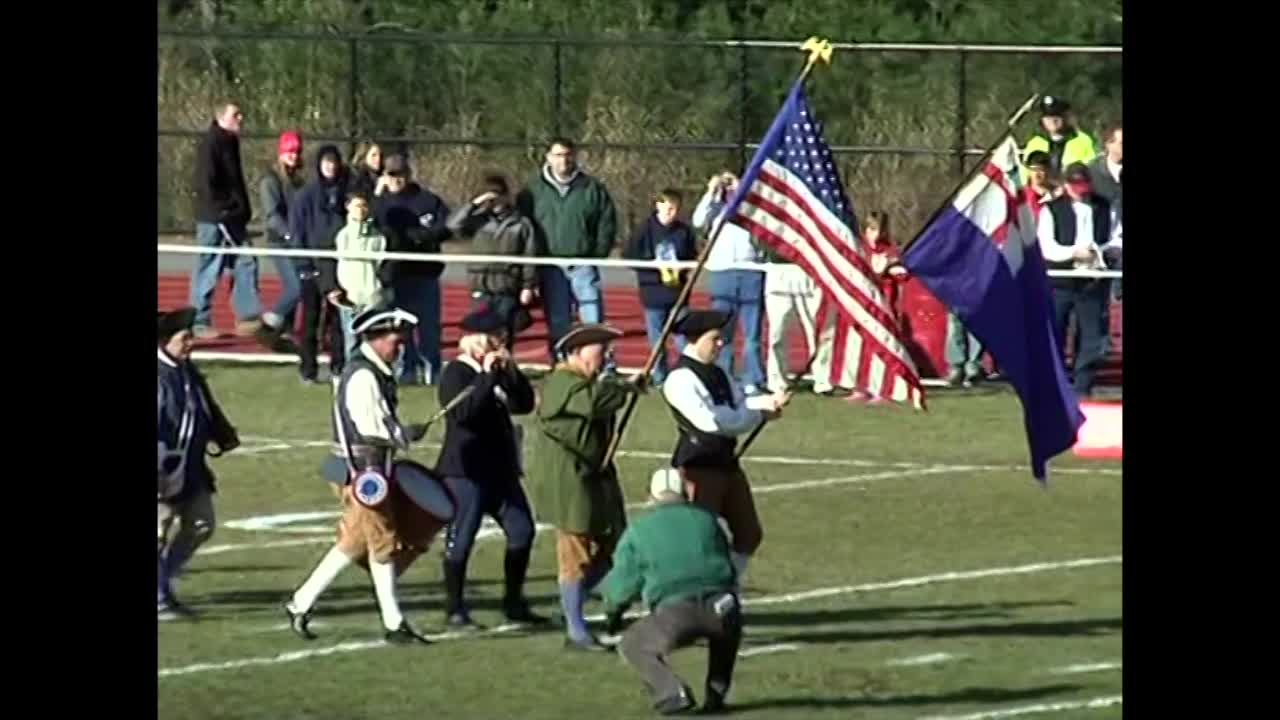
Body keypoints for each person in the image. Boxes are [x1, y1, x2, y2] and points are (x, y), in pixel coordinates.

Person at [284, 306, 438, 644]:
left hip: (366, 468)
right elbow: (371, 427)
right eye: (396, 341)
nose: (400, 347)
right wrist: (404, 435)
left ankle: (301, 602)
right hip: (363, 472)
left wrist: (402, 432)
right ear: (377, 338)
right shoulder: (365, 375)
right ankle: (394, 623)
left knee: (354, 541)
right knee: (384, 540)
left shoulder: (373, 371)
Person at [526, 323, 643, 651]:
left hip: (595, 474)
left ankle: (575, 605)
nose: (605, 356)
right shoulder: (564, 382)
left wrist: (623, 387)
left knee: (616, 546)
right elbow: (592, 403)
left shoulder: (586, 383)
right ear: (577, 352)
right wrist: (624, 389)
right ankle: (575, 628)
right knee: (575, 550)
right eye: (599, 350)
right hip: (570, 478)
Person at [660, 310, 788, 596]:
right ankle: (688, 594)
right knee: (700, 539)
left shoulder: (719, 373)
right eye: (715, 339)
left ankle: (724, 585)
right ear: (695, 340)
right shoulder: (680, 379)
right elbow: (713, 421)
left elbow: (741, 401)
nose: (721, 345)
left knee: (748, 533)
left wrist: (769, 401)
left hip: (727, 464)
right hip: (698, 466)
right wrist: (758, 414)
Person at [434, 307, 546, 629]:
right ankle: (454, 607)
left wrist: (510, 372)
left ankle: (514, 601)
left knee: (522, 530)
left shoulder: (498, 371)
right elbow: (464, 414)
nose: (500, 343)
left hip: (501, 468)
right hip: (466, 470)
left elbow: (523, 403)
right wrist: (485, 376)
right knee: (462, 538)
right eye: (495, 338)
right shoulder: (456, 373)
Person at [602, 469, 743, 715]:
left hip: (678, 611)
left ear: (652, 496)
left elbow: (621, 586)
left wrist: (612, 615)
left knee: (633, 644)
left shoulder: (640, 530)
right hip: (723, 604)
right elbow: (728, 563)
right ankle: (716, 695)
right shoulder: (707, 520)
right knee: (725, 634)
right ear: (685, 493)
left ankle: (671, 692)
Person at [157, 307, 241, 620]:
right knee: (158, 530)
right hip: (163, 469)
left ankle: (163, 576)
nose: (191, 343)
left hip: (191, 468)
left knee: (202, 524)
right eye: (185, 337)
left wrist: (223, 433)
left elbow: (204, 404)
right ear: (165, 341)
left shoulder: (186, 369)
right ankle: (160, 598)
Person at [516, 137, 619, 362]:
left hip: (583, 264)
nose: (563, 160)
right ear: (548, 157)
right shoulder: (531, 191)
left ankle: (599, 365)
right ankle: (561, 363)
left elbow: (606, 223)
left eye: (568, 155)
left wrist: (596, 254)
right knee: (558, 320)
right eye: (558, 155)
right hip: (550, 267)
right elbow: (523, 229)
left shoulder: (592, 188)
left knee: (593, 317)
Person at [1037, 163, 1121, 398]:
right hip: (1061, 281)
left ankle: (1082, 386)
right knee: (1056, 332)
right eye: (1074, 186)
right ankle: (1054, 383)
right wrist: (1073, 253)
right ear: (1065, 185)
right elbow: (1047, 247)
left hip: (1093, 280)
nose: (1080, 191)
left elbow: (1116, 238)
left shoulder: (1104, 207)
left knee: (1092, 336)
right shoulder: (1051, 210)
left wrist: (1101, 252)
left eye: (1083, 186)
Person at [373, 153, 451, 386]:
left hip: (425, 275)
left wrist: (423, 237)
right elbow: (367, 225)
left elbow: (446, 227)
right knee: (400, 328)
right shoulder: (381, 205)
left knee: (429, 328)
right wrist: (377, 195)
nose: (397, 179)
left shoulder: (428, 200)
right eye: (391, 174)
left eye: (401, 174)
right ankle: (405, 370)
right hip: (396, 277)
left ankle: (432, 372)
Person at [189, 102, 262, 339]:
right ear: (221, 117)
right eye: (235, 114)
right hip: (217, 218)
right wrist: (223, 210)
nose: (240, 118)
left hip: (233, 217)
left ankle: (247, 316)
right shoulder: (211, 143)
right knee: (210, 265)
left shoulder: (230, 142)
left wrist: (243, 210)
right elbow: (205, 182)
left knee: (245, 260)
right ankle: (199, 320)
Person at [692, 172, 768, 395]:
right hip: (721, 272)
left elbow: (761, 220)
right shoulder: (715, 208)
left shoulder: (751, 207)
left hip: (750, 272)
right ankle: (724, 373)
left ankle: (754, 378)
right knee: (722, 332)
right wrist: (711, 191)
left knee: (751, 333)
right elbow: (698, 221)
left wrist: (742, 189)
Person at [446, 173, 540, 340]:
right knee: (480, 336)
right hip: (481, 287)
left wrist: (528, 286)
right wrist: (474, 204)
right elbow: (452, 225)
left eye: (498, 195)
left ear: (506, 196)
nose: (494, 201)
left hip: (507, 287)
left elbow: (529, 255)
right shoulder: (477, 221)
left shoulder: (520, 223)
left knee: (504, 334)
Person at [622, 188, 697, 386]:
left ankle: (687, 375)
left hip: (678, 294)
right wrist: (652, 269)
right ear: (658, 205)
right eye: (668, 207)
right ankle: (659, 377)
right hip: (653, 293)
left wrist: (680, 272)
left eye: (675, 208)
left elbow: (692, 257)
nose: (671, 212)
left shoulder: (684, 231)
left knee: (683, 338)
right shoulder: (644, 230)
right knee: (657, 339)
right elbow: (629, 256)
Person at [848, 213, 910, 403]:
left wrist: (893, 268)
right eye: (870, 229)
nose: (873, 234)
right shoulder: (861, 250)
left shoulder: (889, 251)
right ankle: (860, 386)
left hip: (883, 307)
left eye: (877, 230)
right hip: (862, 305)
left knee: (880, 349)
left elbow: (902, 275)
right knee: (859, 347)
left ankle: (883, 389)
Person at [258, 130, 307, 339]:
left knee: (299, 285)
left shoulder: (298, 181)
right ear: (280, 152)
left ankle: (285, 329)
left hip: (297, 241)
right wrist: (288, 235)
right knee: (295, 287)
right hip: (279, 241)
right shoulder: (270, 181)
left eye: (296, 151)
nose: (293, 155)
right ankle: (270, 322)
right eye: (289, 151)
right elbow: (272, 215)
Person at [334, 191, 389, 359]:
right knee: (351, 343)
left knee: (375, 342)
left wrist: (377, 287)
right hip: (351, 299)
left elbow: (380, 265)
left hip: (373, 297)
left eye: (364, 206)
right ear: (348, 207)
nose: (361, 210)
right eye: (357, 206)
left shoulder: (378, 237)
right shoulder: (342, 236)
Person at [1024, 95, 1097, 180]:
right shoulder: (1034, 143)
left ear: (1065, 117)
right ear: (1042, 120)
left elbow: (1092, 169)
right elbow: (1026, 173)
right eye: (1047, 117)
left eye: (1056, 116)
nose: (1052, 121)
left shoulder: (1082, 140)